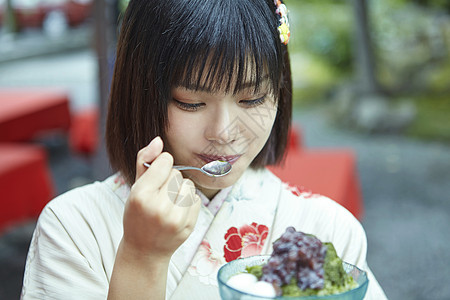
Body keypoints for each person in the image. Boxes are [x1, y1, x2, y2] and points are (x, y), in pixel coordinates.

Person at [21, 0, 387, 299]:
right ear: (141, 92)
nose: (224, 133)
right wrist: (141, 257)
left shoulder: (327, 230)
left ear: (280, 89)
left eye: (253, 97)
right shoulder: (72, 229)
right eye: (190, 102)